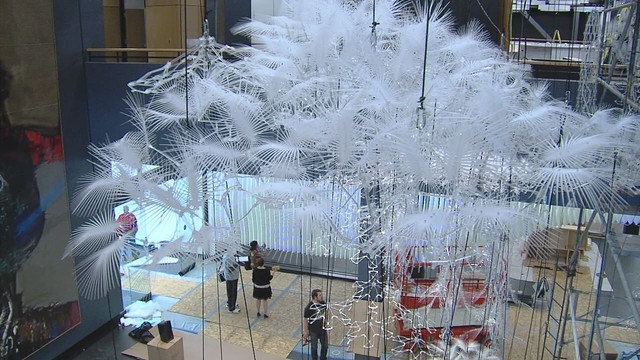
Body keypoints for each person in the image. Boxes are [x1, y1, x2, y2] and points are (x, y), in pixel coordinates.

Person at [303, 289, 328, 360]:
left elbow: (326, 311)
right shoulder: (309, 307)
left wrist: (326, 320)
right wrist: (305, 331)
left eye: (321, 295)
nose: (322, 296)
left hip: (322, 329)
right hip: (313, 330)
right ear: (315, 297)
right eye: (320, 295)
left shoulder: (323, 303)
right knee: (314, 347)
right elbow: (305, 319)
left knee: (325, 346)